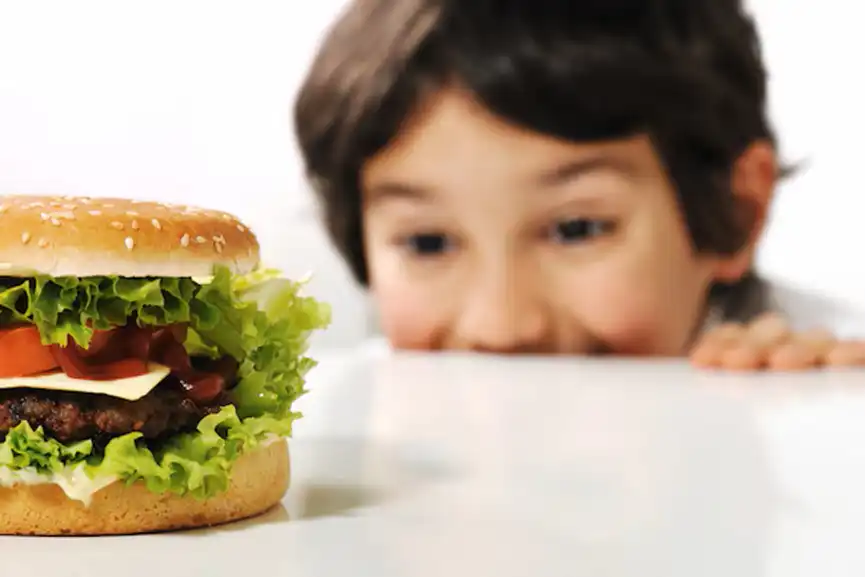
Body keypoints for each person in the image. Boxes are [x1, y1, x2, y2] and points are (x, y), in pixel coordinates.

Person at [293, 0, 865, 370]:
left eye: (576, 229)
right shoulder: (357, 400)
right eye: (427, 243)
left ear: (737, 210)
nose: (502, 327)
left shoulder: (826, 360)